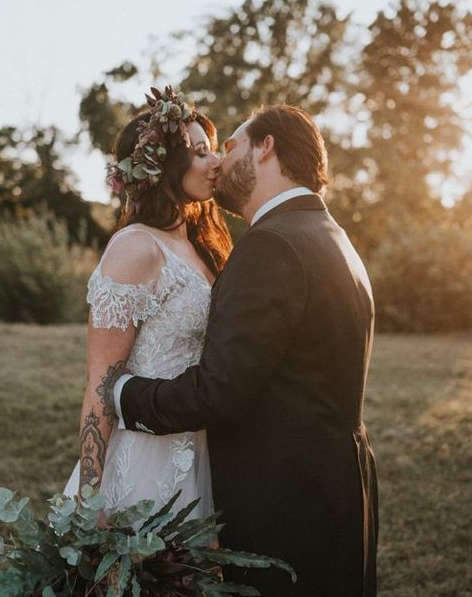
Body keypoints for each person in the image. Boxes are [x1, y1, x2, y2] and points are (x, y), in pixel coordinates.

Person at [111, 105, 378, 595]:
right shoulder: (329, 235)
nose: (217, 160)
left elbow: (219, 392)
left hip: (285, 502)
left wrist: (124, 395)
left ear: (266, 147)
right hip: (337, 487)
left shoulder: (271, 245)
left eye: (228, 144)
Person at [63, 87, 232, 524]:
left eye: (211, 150)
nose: (215, 162)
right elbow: (101, 383)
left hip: (199, 448)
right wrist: (89, 496)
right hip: (145, 460)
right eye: (199, 152)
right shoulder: (135, 247)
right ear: (161, 166)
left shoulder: (198, 245)